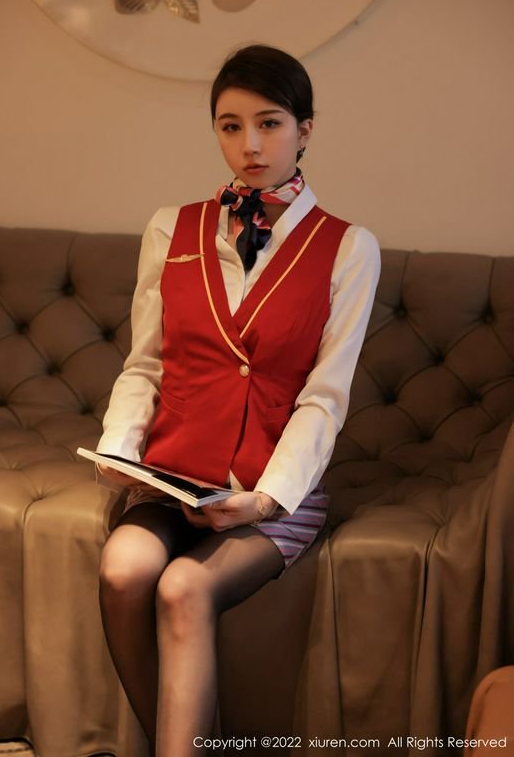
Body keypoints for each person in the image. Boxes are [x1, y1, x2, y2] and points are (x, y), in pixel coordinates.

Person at [96, 44, 381, 757]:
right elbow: (146, 364)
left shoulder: (349, 248)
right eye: (230, 126)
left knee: (182, 588)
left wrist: (264, 499)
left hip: (269, 487)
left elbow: (324, 398)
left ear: (304, 129)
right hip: (172, 475)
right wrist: (118, 450)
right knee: (123, 570)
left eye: (269, 123)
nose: (249, 145)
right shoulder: (171, 228)